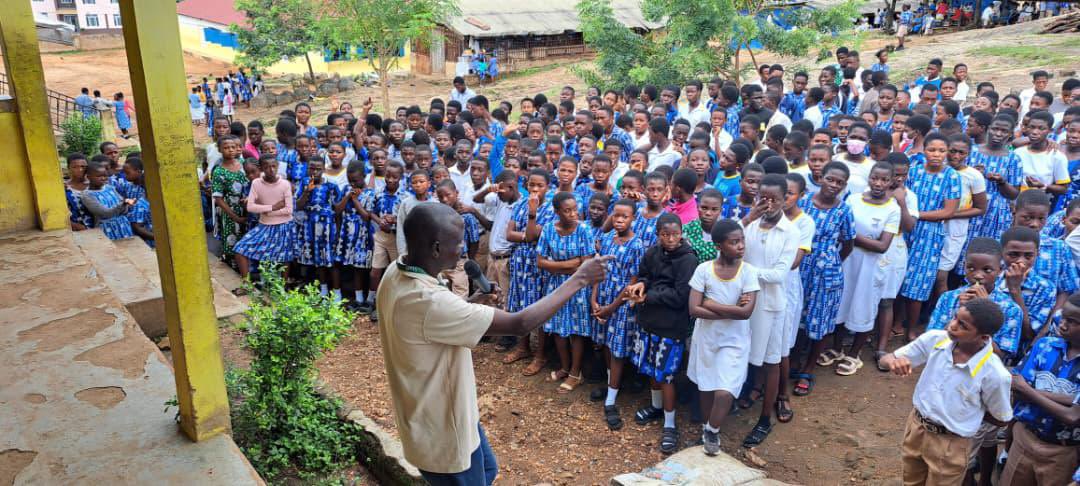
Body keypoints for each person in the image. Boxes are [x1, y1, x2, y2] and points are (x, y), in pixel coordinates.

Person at [375, 201, 610, 485]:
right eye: (458, 242)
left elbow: (431, 319)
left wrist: (470, 303)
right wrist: (580, 278)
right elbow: (520, 324)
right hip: (444, 433)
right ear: (436, 248)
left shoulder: (396, 271)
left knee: (487, 471)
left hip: (439, 416)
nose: (463, 248)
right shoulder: (429, 302)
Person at [879, 297, 1013, 486]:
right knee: (910, 481)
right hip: (916, 427)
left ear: (983, 337)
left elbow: (1001, 417)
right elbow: (885, 359)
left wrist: (965, 413)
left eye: (963, 325)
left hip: (951, 443)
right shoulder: (935, 339)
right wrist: (894, 362)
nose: (952, 325)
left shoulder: (995, 374)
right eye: (955, 318)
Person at [686, 219, 760, 455]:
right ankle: (706, 430)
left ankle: (713, 430)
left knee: (725, 390)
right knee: (706, 386)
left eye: (742, 240)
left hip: (735, 341)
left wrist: (710, 303)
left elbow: (746, 313)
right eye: (734, 242)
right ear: (719, 246)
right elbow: (693, 309)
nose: (741, 246)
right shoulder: (704, 270)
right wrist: (732, 310)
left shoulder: (748, 272)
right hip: (707, 338)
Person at [738, 174, 801, 447]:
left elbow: (778, 275)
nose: (769, 204)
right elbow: (725, 246)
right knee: (743, 351)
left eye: (775, 199)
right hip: (745, 302)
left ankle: (764, 418)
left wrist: (742, 271)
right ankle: (743, 394)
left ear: (785, 199)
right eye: (763, 198)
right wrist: (747, 219)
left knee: (771, 360)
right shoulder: (750, 224)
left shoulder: (790, 232)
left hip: (772, 304)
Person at [628, 213, 699, 453]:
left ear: (681, 233)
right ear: (658, 234)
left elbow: (681, 296)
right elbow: (646, 275)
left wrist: (649, 296)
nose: (670, 239)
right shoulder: (652, 253)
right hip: (649, 321)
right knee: (652, 369)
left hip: (671, 325)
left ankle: (670, 425)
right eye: (665, 234)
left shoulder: (688, 259)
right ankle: (656, 407)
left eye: (675, 234)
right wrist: (642, 284)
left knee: (667, 375)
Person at [1001, 291, 1080, 485]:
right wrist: (1071, 399)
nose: (1062, 324)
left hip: (1062, 451)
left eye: (1072, 321)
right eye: (1062, 317)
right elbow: (1016, 388)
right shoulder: (1045, 346)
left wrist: (1029, 391)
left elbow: (1073, 417)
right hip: (1025, 438)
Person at [793, 162, 854, 396]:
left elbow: (848, 244)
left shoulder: (844, 210)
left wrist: (830, 261)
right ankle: (794, 360)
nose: (834, 185)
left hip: (827, 272)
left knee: (819, 320)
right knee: (797, 316)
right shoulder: (803, 202)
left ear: (844, 185)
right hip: (800, 265)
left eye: (840, 182)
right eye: (830, 179)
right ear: (821, 178)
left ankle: (808, 370)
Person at [898, 133, 960, 341]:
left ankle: (911, 328)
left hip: (930, 234)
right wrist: (909, 216)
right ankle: (896, 323)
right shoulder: (914, 170)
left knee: (919, 281)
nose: (936, 154)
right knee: (899, 274)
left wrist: (916, 214)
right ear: (924, 150)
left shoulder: (952, 176)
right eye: (932, 150)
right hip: (905, 229)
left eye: (942, 151)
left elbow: (948, 211)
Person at [590, 199, 645, 430]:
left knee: (617, 350)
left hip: (620, 304)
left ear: (633, 219)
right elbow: (599, 270)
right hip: (602, 297)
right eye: (616, 216)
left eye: (625, 217)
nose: (619, 220)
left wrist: (611, 307)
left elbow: (632, 282)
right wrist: (594, 298)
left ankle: (611, 401)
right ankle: (612, 384)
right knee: (603, 344)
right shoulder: (606, 239)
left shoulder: (637, 245)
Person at [504, 169, 557, 374]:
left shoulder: (551, 210)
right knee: (520, 305)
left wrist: (532, 215)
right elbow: (509, 234)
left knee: (539, 308)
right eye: (531, 185)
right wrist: (526, 235)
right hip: (520, 262)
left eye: (539, 186)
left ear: (547, 187)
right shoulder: (519, 205)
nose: (535, 189)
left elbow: (535, 235)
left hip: (538, 264)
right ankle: (523, 346)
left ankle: (540, 355)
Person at [934, 135, 986, 301]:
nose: (956, 156)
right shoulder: (937, 169)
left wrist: (950, 214)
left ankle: (941, 309)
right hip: (931, 226)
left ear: (968, 153)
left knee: (941, 276)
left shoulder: (974, 176)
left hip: (955, 229)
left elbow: (980, 208)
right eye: (952, 151)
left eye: (961, 152)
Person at [233, 154, 296, 281]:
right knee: (240, 249)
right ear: (261, 168)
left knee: (284, 256)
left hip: (284, 225)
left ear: (278, 166)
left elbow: (289, 210)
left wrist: (265, 210)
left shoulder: (285, 184)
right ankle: (247, 285)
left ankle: (282, 286)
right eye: (267, 167)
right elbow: (250, 207)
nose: (271, 170)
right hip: (264, 225)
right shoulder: (256, 183)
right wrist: (272, 207)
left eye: (273, 166)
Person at [295, 159, 341, 299]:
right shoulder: (304, 183)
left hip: (327, 227)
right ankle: (324, 290)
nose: (314, 172)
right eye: (312, 168)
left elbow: (338, 209)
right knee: (318, 259)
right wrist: (307, 192)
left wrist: (338, 231)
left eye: (318, 169)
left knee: (330, 260)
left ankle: (337, 293)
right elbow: (298, 205)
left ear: (324, 169)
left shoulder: (331, 185)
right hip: (310, 226)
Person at [368, 161, 407, 321]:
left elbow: (407, 218)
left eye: (394, 177)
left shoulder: (405, 196)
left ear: (401, 177)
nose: (390, 180)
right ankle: (375, 303)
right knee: (375, 272)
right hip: (381, 236)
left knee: (397, 272)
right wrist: (380, 222)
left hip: (397, 238)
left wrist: (394, 221)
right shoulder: (378, 193)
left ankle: (396, 304)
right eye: (388, 176)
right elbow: (371, 212)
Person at [335, 161, 376, 311]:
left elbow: (366, 216)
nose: (352, 183)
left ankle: (361, 299)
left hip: (361, 234)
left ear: (364, 176)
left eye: (355, 180)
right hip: (346, 232)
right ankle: (344, 296)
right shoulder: (346, 189)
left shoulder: (370, 193)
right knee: (341, 264)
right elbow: (337, 210)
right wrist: (348, 196)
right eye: (350, 180)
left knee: (359, 267)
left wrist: (355, 200)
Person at [211, 136, 249, 263]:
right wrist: (235, 217)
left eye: (233, 147)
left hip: (249, 208)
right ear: (220, 150)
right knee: (232, 242)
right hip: (230, 212)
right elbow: (218, 198)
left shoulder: (244, 164)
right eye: (226, 148)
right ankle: (233, 266)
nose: (231, 150)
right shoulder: (218, 171)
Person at [80, 162, 135, 241]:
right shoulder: (87, 195)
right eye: (99, 176)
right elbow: (105, 213)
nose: (103, 178)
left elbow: (123, 207)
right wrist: (124, 204)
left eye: (105, 176)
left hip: (123, 226)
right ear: (88, 177)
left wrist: (126, 204)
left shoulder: (110, 187)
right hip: (106, 229)